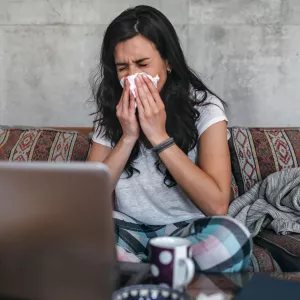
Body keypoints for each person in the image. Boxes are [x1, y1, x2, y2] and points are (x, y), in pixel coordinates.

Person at [88, 5, 252, 272]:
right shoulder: (112, 112)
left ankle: (139, 271)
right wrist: (128, 136)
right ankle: (162, 270)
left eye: (142, 64)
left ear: (168, 62)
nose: (132, 77)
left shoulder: (206, 109)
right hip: (129, 229)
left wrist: (159, 137)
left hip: (188, 231)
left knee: (230, 239)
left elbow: (217, 204)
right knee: (71, 235)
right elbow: (88, 201)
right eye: (122, 67)